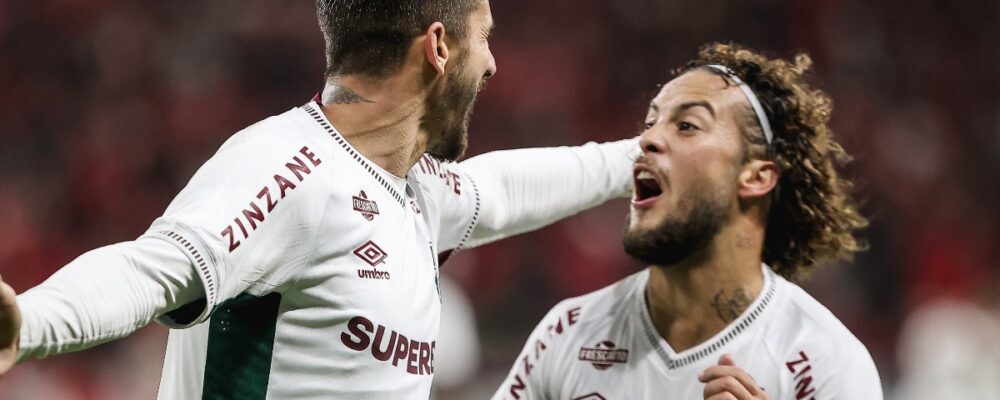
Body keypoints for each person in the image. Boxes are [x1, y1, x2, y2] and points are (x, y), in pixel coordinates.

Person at [0, 1, 639, 398]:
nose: (494, 63)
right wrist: (27, 323)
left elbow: (507, 189)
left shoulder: (412, 187)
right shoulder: (288, 166)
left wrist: (643, 157)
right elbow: (154, 268)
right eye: (487, 35)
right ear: (441, 46)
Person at [493, 43, 882, 400]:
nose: (646, 141)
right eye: (650, 124)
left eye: (687, 126)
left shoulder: (827, 364)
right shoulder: (568, 333)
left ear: (756, 177)